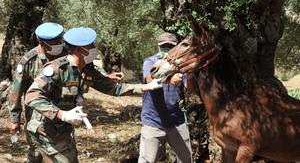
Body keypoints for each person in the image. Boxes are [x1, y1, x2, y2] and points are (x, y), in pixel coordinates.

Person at [24, 27, 162, 162]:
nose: (94, 49)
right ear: (79, 50)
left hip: (62, 130)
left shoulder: (87, 70)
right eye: (91, 46)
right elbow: (32, 95)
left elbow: (115, 88)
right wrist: (62, 114)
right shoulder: (57, 68)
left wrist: (147, 86)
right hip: (45, 131)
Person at [7, 22, 66, 163]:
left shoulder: (67, 54)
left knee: (63, 154)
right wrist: (15, 119)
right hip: (36, 119)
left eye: (60, 40)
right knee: (36, 154)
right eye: (54, 42)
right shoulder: (29, 60)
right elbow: (16, 90)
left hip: (61, 116)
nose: (58, 44)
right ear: (41, 42)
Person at [138, 32, 192, 163]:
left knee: (186, 160)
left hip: (177, 122)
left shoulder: (179, 65)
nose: (166, 49)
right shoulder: (150, 62)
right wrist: (169, 78)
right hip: (153, 122)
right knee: (146, 160)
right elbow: (149, 78)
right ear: (158, 46)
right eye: (164, 46)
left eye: (170, 46)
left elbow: (190, 86)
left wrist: (190, 72)